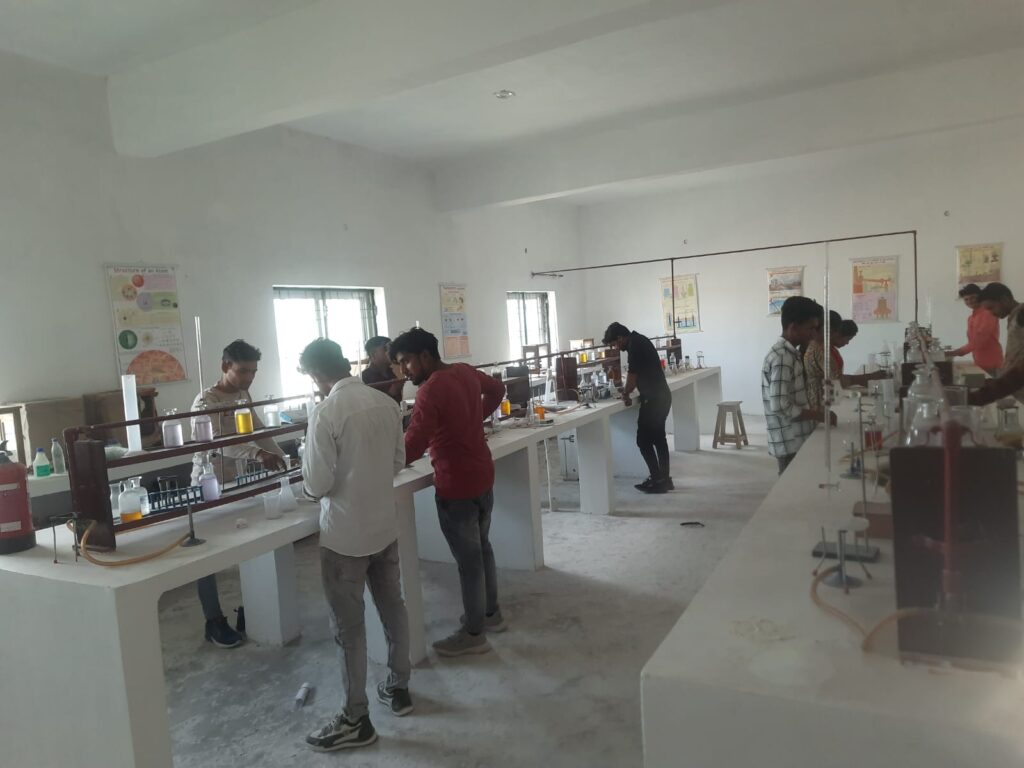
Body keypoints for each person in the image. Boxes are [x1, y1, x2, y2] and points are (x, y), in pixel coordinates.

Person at [299, 338, 412, 753]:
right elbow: (397, 463)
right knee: (393, 607)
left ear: (316, 374)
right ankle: (399, 688)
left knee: (349, 630)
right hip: (383, 527)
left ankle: (355, 719)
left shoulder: (326, 412)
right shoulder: (385, 403)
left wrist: (311, 485)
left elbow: (317, 483)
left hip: (344, 537)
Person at [390, 327, 507, 656]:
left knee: (468, 561)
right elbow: (497, 389)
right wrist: (474, 419)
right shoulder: (465, 372)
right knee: (482, 548)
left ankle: (473, 633)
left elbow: (413, 444)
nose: (405, 370)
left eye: (407, 361)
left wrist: (382, 462)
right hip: (482, 474)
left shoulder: (430, 391)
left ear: (425, 356)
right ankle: (491, 613)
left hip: (456, 483)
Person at [190, 339, 287, 649]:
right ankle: (213, 620)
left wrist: (284, 457)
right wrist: (259, 454)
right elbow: (220, 443)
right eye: (242, 371)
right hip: (209, 482)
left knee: (251, 543)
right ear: (225, 366)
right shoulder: (205, 402)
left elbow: (258, 431)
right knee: (206, 556)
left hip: (240, 481)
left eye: (253, 372)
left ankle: (251, 609)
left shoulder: (243, 395)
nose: (248, 378)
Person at [762, 297, 832, 475]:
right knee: (792, 487)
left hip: (797, 438)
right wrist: (819, 415)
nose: (813, 334)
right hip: (789, 442)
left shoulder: (791, 354)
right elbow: (780, 406)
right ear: (793, 327)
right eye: (810, 328)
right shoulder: (782, 358)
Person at [602, 322, 673, 494]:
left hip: (653, 400)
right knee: (659, 439)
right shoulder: (639, 340)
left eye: (614, 344)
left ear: (620, 338)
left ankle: (657, 479)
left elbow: (632, 376)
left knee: (643, 440)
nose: (616, 348)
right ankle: (664, 479)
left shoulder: (634, 345)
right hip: (662, 396)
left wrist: (626, 393)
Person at [361, 336, 405, 402]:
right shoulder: (364, 378)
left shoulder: (390, 372)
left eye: (391, 348)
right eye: (385, 349)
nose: (391, 352)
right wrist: (391, 393)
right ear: (373, 354)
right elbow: (368, 404)